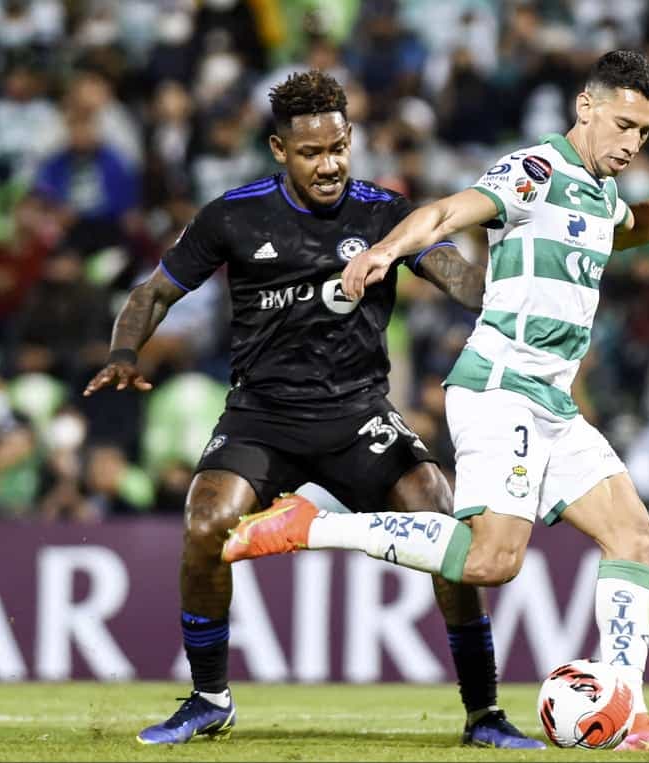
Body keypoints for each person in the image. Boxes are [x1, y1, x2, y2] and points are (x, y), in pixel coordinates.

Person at [224, 50, 649, 752]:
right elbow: (449, 210)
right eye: (623, 124)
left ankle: (631, 711)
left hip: (551, 401)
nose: (633, 143)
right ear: (585, 106)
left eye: (644, 132)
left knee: (635, 536)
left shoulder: (601, 190)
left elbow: (627, 226)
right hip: (499, 390)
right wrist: (387, 250)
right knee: (492, 561)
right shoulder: (535, 171)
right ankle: (310, 523)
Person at [84, 70, 541, 749]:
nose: (327, 165)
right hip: (260, 414)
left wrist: (509, 291)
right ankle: (210, 697)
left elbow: (457, 275)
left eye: (337, 148)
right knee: (207, 520)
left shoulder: (386, 214)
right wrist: (125, 350)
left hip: (358, 413)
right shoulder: (232, 217)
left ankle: (484, 711)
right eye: (310, 153)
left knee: (441, 519)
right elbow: (153, 294)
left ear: (350, 140)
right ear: (278, 149)